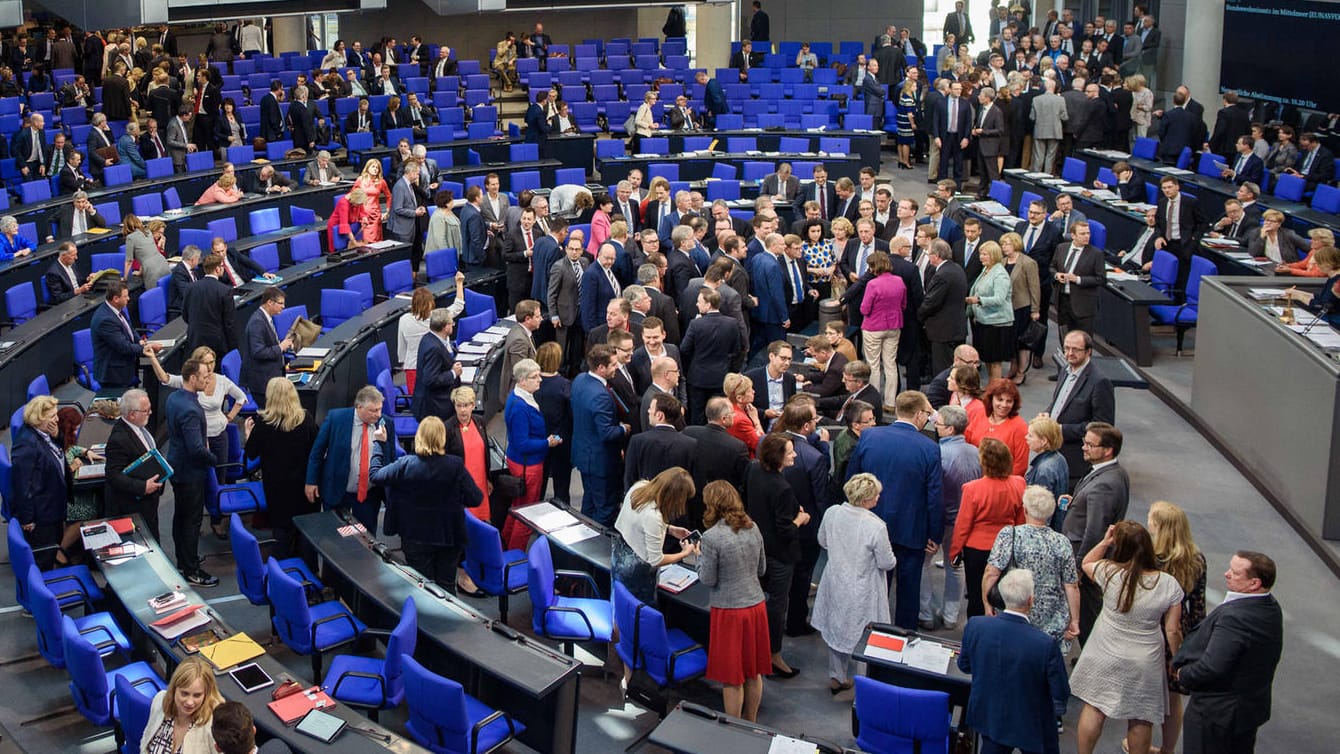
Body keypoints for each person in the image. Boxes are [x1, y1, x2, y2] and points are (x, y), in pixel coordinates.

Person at [1070, 521, 1185, 754]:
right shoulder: (1168, 584)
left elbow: (1086, 563)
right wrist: (1177, 660)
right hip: (1145, 658)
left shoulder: (1109, 572)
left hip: (1104, 650)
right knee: (1140, 717)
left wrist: (1105, 541)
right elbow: (1173, 630)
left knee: (1095, 707)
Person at [846, 390, 942, 630]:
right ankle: (902, 640)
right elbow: (934, 496)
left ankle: (868, 634)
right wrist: (935, 534)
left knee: (872, 586)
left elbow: (852, 482)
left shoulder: (869, 437)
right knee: (908, 593)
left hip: (869, 526)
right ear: (919, 414)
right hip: (911, 531)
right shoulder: (929, 448)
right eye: (928, 414)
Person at [1171, 551, 1283, 754]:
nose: (1226, 574)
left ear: (1254, 583)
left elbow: (1212, 667)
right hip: (1246, 709)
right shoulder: (1270, 606)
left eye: (1235, 572)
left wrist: (1182, 675)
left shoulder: (1236, 618)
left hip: (1216, 713)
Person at [957, 569, 1071, 754]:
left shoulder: (976, 626)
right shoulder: (1044, 644)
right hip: (1032, 723)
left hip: (990, 715)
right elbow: (1060, 691)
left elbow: (964, 665)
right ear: (1030, 600)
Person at [371, 416, 482, 592]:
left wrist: (379, 444)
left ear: (419, 437)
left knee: (420, 586)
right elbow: (476, 498)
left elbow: (376, 475)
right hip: (448, 536)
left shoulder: (406, 464)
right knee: (446, 585)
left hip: (415, 536)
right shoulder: (455, 465)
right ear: (442, 438)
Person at [812, 473, 895, 694]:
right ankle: (864, 687)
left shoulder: (832, 513)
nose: (879, 496)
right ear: (868, 498)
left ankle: (836, 676)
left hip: (835, 579)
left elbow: (822, 541)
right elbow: (887, 562)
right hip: (863, 586)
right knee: (865, 636)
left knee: (835, 626)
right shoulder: (876, 526)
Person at [147, 345, 244, 536]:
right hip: (198, 441)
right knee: (198, 485)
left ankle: (216, 521)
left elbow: (241, 397)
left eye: (212, 362)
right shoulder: (191, 383)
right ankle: (196, 522)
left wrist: (228, 418)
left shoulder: (222, 381)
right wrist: (152, 358)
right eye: (206, 362)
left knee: (219, 478)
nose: (210, 366)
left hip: (218, 436)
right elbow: (165, 378)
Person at [698, 481, 770, 722]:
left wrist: (699, 557)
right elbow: (762, 569)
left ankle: (734, 729)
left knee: (732, 677)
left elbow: (707, 578)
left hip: (729, 612)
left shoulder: (711, 538)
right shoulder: (754, 527)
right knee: (753, 671)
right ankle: (750, 722)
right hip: (756, 607)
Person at [983, 484, 1080, 658]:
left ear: (1025, 509)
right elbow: (1071, 586)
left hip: (1013, 612)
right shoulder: (1062, 542)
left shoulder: (1009, 535)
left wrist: (987, 605)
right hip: (1051, 621)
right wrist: (1075, 620)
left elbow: (991, 572)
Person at [745, 432, 809, 678]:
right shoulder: (781, 487)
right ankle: (773, 655)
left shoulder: (753, 470)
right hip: (780, 555)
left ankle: (759, 649)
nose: (794, 454)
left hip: (759, 548)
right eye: (790, 451)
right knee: (777, 605)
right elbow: (785, 530)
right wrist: (800, 518)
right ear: (778, 457)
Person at [305, 385, 398, 535]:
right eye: (373, 410)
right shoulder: (336, 419)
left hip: (369, 494)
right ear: (359, 406)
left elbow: (390, 459)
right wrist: (311, 481)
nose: (378, 414)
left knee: (367, 539)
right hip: (338, 491)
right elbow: (317, 452)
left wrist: (382, 442)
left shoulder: (385, 423)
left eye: (380, 409)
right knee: (334, 537)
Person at [242, 378, 318, 558]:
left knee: (281, 530)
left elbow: (251, 454)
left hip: (276, 486)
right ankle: (307, 568)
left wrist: (247, 435)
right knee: (304, 529)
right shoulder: (306, 419)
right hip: (302, 485)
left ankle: (283, 568)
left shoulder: (264, 424)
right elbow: (317, 449)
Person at [951, 438, 1026, 619]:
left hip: (977, 549)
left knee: (977, 594)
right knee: (1004, 594)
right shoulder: (1019, 484)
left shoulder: (972, 489)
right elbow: (1020, 519)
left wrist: (954, 550)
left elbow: (963, 524)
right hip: (1007, 547)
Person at [165, 357, 223, 587]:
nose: (209, 379)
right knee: (191, 521)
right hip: (190, 472)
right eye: (205, 376)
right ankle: (191, 569)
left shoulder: (175, 397)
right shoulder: (189, 409)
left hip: (177, 467)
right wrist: (214, 460)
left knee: (181, 518)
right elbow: (197, 449)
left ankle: (183, 558)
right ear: (192, 378)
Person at [612, 467, 697, 604]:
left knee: (620, 604)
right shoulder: (654, 517)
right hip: (637, 571)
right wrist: (684, 553)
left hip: (620, 554)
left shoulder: (640, 487)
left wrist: (670, 529)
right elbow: (656, 560)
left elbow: (638, 523)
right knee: (638, 612)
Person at [502, 359, 560, 549]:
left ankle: (505, 545)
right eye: (534, 377)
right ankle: (516, 554)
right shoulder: (520, 407)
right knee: (527, 513)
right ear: (522, 381)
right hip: (528, 466)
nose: (540, 380)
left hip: (522, 462)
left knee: (517, 508)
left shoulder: (519, 397)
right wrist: (546, 442)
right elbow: (522, 443)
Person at [12, 397, 75, 569]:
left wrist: (57, 436)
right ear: (39, 418)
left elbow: (56, 452)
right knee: (43, 563)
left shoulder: (44, 434)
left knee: (51, 550)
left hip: (52, 506)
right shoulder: (26, 445)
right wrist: (27, 519)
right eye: (52, 416)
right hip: (42, 516)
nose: (57, 419)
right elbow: (22, 485)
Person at [1046, 330, 1115, 485]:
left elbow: (1103, 426)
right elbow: (1060, 402)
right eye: (1066, 348)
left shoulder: (1100, 382)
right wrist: (1047, 414)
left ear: (1088, 351)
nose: (1069, 353)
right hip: (1056, 450)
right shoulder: (1065, 370)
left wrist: (1062, 430)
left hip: (1076, 460)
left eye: (1075, 349)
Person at [572, 345, 631, 526]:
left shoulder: (580, 379)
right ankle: (597, 547)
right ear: (600, 368)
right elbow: (606, 433)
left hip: (584, 455)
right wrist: (623, 429)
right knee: (605, 508)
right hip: (601, 462)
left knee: (589, 502)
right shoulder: (601, 396)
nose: (617, 368)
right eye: (613, 365)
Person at [104, 389, 166, 541]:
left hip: (149, 501)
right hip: (133, 505)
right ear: (132, 414)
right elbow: (113, 475)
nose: (150, 413)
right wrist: (142, 487)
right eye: (146, 410)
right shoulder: (119, 439)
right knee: (146, 542)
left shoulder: (139, 427)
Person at [140, 657, 223, 754]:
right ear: (174, 689)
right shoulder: (160, 700)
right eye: (184, 693)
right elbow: (146, 739)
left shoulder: (214, 724)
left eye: (197, 695)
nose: (189, 702)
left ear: (206, 694)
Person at [858, 251, 907, 411]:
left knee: (873, 365)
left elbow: (865, 309)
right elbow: (904, 305)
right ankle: (890, 402)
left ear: (873, 267)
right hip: (894, 326)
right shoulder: (899, 281)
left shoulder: (873, 284)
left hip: (873, 327)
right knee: (890, 364)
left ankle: (874, 402)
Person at [92, 281, 157, 389]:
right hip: (113, 374)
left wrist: (139, 341)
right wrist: (145, 348)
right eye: (125, 296)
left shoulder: (117, 309)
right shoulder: (105, 320)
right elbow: (123, 347)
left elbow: (129, 328)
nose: (129, 299)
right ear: (116, 299)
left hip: (125, 366)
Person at [967, 240, 1015, 381]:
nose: (981, 257)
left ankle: (995, 389)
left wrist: (978, 300)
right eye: (981, 254)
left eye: (985, 254)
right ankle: (991, 386)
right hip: (984, 321)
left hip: (997, 324)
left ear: (994, 255)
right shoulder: (986, 270)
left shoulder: (1000, 274)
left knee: (995, 361)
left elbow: (999, 299)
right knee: (987, 357)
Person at [997, 232, 1041, 384]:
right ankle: (1013, 367)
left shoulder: (1028, 263)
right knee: (1010, 341)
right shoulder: (1002, 261)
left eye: (1007, 244)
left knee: (1022, 343)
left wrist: (1035, 310)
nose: (1004, 247)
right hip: (1006, 309)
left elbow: (1034, 288)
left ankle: (1021, 372)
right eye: (1003, 244)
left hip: (1022, 307)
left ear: (1016, 244)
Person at [239, 287, 292, 408]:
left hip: (271, 377)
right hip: (263, 383)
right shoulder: (257, 322)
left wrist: (284, 345)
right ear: (270, 302)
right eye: (280, 303)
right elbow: (258, 352)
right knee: (270, 417)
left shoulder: (266, 318)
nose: (283, 307)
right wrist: (280, 347)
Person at [535, 342, 574, 506]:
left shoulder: (533, 384)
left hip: (538, 441)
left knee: (538, 486)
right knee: (562, 485)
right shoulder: (565, 385)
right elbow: (570, 417)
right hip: (561, 442)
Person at [967, 378, 1031, 475]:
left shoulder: (1020, 426)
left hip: (1002, 482)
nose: (1004, 405)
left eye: (1009, 401)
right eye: (1000, 400)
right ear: (991, 398)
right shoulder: (980, 414)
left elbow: (1020, 465)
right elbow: (967, 440)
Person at [182, 254, 237, 364]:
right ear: (217, 269)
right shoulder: (225, 291)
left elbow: (185, 315)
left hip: (195, 339)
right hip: (216, 343)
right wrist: (234, 347)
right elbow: (229, 323)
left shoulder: (190, 288)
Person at [1025, 416, 1071, 532]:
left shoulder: (1044, 470)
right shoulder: (1059, 458)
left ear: (1044, 441)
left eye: (1030, 435)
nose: (1026, 438)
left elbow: (1040, 511)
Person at [1281, 246, 1340, 328]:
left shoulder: (1337, 282)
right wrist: (1298, 293)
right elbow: (1322, 298)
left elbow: (1323, 306)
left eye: (1318, 264)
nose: (1316, 266)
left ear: (1328, 264)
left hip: (1333, 324)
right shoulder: (1332, 278)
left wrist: (1300, 297)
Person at [722, 372, 765, 457]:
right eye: (750, 390)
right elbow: (762, 445)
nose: (754, 391)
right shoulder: (741, 420)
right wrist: (756, 421)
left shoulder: (724, 406)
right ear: (739, 398)